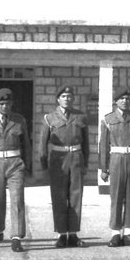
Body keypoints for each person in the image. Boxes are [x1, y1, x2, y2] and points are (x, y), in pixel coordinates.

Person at [0, 88, 32, 253]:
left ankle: (16, 237)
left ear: (12, 104)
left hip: (15, 163)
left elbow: (27, 145)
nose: (5, 107)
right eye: (1, 104)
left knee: (17, 200)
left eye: (8, 103)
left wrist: (28, 166)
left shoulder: (19, 121)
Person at [38, 85, 90, 248]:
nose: (67, 99)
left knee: (76, 196)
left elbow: (86, 143)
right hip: (57, 160)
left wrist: (85, 163)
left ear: (73, 99)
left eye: (69, 96)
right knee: (59, 197)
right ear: (57, 99)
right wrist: (44, 165)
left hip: (76, 157)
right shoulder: (50, 118)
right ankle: (61, 234)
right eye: (63, 96)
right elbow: (42, 144)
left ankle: (73, 234)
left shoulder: (80, 117)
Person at [98, 86, 130, 248]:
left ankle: (128, 233)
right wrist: (103, 169)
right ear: (115, 101)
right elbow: (103, 146)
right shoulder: (107, 120)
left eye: (127, 99)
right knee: (116, 196)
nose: (125, 101)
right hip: (116, 160)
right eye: (122, 99)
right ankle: (114, 233)